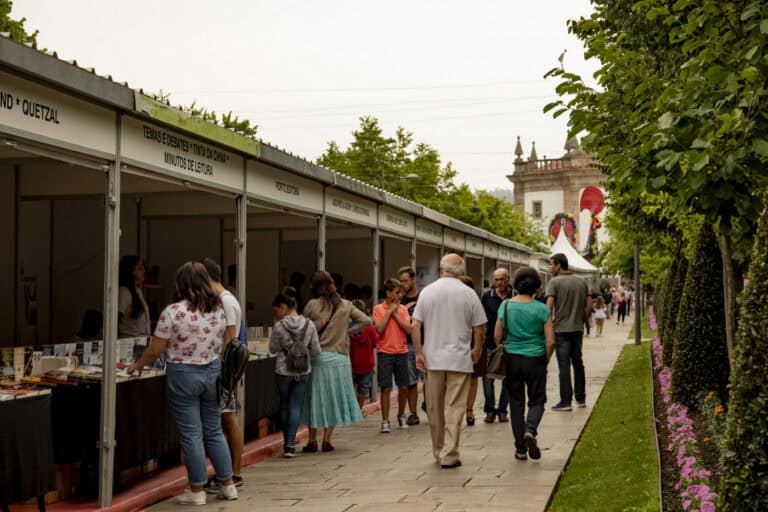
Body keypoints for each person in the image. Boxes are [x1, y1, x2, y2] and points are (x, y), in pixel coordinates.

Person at [127, 262, 237, 505]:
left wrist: (138, 365)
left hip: (183, 374)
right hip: (213, 372)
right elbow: (229, 341)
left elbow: (156, 350)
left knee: (191, 433)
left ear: (181, 283)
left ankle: (197, 490)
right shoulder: (219, 310)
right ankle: (228, 484)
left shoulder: (172, 312)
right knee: (214, 430)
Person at [411, 254, 486, 469]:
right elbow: (479, 327)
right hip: (459, 358)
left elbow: (415, 325)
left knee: (434, 408)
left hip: (432, 359)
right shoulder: (469, 293)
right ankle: (450, 453)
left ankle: (438, 450)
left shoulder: (428, 291)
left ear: (442, 268)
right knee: (454, 408)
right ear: (461, 271)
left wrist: (418, 352)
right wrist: (477, 349)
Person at [302, 271, 371, 452]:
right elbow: (366, 321)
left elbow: (304, 329)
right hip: (340, 359)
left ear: (315, 287)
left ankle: (311, 440)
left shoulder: (311, 305)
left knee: (315, 399)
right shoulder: (346, 305)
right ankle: (327, 439)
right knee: (332, 399)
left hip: (318, 359)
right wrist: (347, 332)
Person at [495, 267, 555, 461]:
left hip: (512, 359)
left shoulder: (505, 306)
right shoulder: (542, 309)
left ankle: (520, 449)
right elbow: (551, 341)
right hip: (536, 358)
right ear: (537, 287)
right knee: (537, 400)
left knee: (516, 403)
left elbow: (497, 335)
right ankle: (530, 430)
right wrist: (543, 360)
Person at [201, 258, 244, 492]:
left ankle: (233, 473)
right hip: (223, 368)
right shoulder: (225, 299)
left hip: (222, 369)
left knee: (228, 418)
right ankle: (228, 473)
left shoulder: (226, 301)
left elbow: (228, 338)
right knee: (226, 419)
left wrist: (219, 369)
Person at [269, 287, 321, 457]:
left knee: (284, 404)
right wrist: (303, 355)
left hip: (283, 370)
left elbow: (272, 348)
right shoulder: (309, 324)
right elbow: (316, 350)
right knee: (295, 405)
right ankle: (290, 445)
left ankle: (286, 441)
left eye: (276, 309)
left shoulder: (279, 326)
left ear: (283, 306)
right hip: (303, 371)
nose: (276, 313)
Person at [546, 253, 591, 412]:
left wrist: (548, 327)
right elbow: (589, 306)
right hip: (577, 329)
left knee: (564, 366)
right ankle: (581, 398)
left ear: (559, 265)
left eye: (551, 264)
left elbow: (548, 308)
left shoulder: (554, 282)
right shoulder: (582, 281)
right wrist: (580, 320)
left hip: (561, 330)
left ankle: (565, 401)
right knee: (578, 363)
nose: (550, 267)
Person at [373, 278, 413, 432]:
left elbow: (408, 329)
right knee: (386, 387)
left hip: (401, 351)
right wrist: (389, 311)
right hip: (385, 352)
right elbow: (379, 329)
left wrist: (396, 313)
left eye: (400, 292)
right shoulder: (378, 309)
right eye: (396, 292)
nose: (399, 295)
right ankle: (385, 420)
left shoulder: (403, 309)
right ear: (388, 293)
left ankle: (401, 414)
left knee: (403, 386)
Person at [480, 268, 513, 423]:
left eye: (502, 279)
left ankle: (502, 410)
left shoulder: (515, 296)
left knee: (508, 378)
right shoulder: (487, 297)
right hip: (489, 343)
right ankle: (490, 409)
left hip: (510, 343)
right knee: (488, 378)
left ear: (508, 279)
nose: (499, 283)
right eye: (496, 280)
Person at [398, 266, 422, 425]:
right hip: (406, 343)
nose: (403, 284)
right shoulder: (398, 300)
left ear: (413, 280)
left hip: (424, 342)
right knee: (411, 381)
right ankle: (413, 413)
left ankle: (429, 405)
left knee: (428, 379)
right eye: (401, 281)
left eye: (405, 281)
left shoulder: (423, 297)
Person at [459, 275, 483, 426]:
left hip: (472, 342)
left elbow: (480, 327)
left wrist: (478, 347)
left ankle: (469, 410)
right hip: (457, 342)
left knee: (473, 378)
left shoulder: (475, 302)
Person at [349, 299, 378, 409]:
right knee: (363, 388)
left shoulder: (348, 328)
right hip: (367, 363)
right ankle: (359, 410)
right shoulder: (370, 328)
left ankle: (352, 410)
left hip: (352, 363)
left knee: (351, 387)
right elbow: (375, 343)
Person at [117, 255, 150, 338]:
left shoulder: (138, 290)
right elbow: (115, 320)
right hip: (128, 341)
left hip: (140, 340)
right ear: (130, 271)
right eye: (139, 268)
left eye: (143, 267)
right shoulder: (124, 292)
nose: (144, 271)